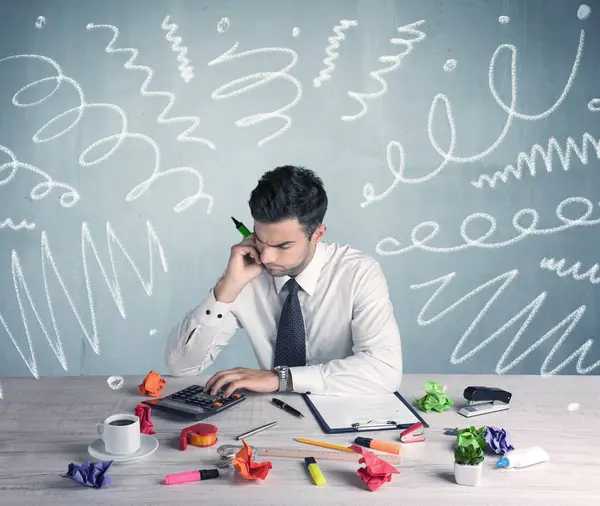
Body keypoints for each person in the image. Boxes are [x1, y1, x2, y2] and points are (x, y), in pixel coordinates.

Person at [164, 165, 403, 397]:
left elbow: (384, 369)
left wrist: (282, 379)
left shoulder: (359, 273)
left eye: (283, 245)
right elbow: (181, 366)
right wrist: (226, 289)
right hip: (272, 414)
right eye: (259, 239)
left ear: (318, 234)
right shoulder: (245, 271)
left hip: (343, 412)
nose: (266, 257)